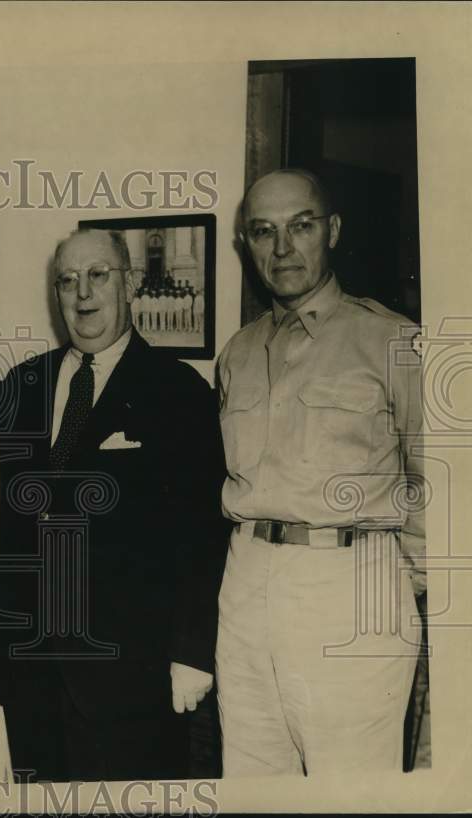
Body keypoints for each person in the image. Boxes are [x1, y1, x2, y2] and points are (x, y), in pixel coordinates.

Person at [0, 228, 229, 781]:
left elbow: (202, 534)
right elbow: (6, 527)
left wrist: (192, 653)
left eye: (98, 276)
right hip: (31, 672)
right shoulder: (21, 386)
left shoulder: (178, 391)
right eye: (67, 281)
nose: (82, 294)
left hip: (133, 676)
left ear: (132, 283)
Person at [215, 168, 425, 776]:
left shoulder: (393, 342)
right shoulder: (238, 352)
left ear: (330, 230)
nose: (282, 249)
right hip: (248, 579)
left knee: (351, 786)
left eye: (300, 226)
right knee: (254, 779)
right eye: (263, 232)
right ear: (246, 244)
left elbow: (440, 486)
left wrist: (395, 586)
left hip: (352, 581)